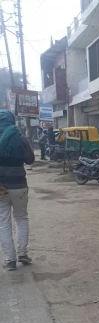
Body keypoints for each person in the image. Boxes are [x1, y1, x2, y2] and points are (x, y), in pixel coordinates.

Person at [0, 110, 35, 271]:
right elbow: (30, 160)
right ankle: (22, 253)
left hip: (1, 188)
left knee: (3, 222)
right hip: (19, 185)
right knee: (21, 218)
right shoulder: (19, 137)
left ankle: (10, 260)